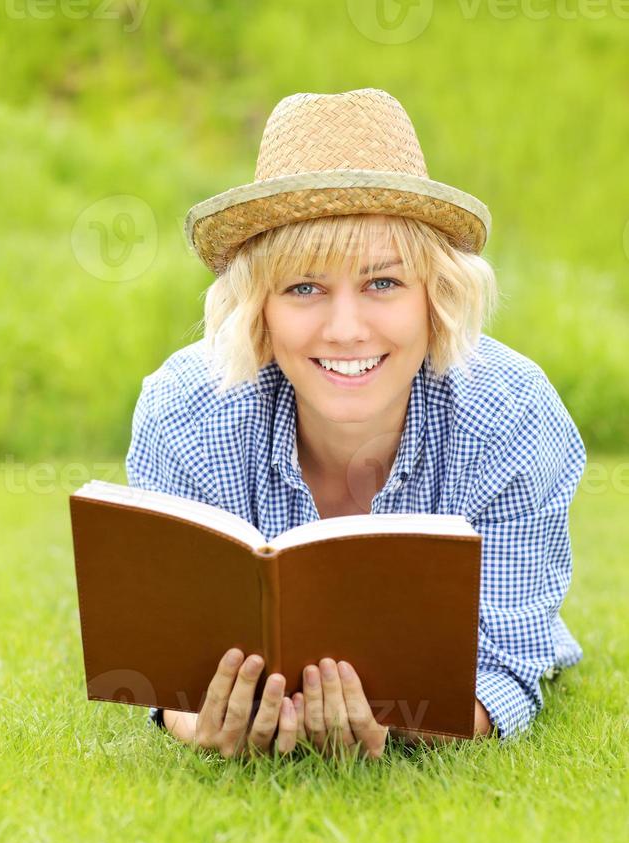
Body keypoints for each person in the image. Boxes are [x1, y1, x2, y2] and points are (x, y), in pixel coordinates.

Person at [126, 88, 586, 759]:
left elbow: (507, 663)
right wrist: (194, 721)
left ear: (437, 298)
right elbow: (167, 664)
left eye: (383, 283)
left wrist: (397, 723)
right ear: (259, 310)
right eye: (304, 288)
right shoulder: (184, 412)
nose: (345, 330)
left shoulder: (511, 412)